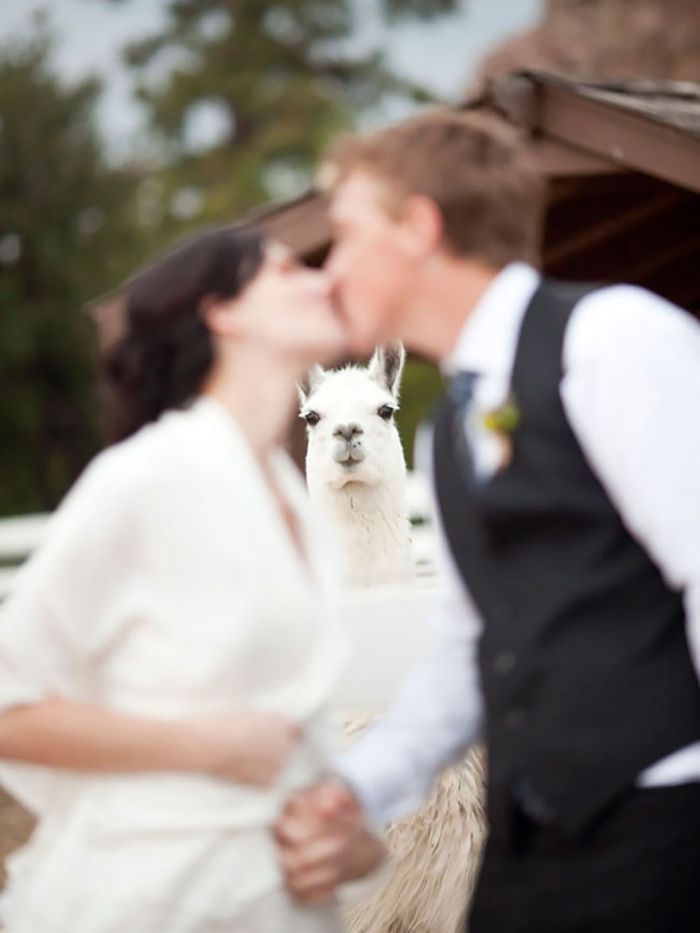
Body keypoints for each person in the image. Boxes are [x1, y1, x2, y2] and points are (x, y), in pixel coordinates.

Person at [275, 110, 700, 931]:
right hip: (535, 835)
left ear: (420, 228)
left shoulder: (613, 344)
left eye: (350, 236)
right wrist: (361, 789)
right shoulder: (454, 429)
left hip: (659, 821)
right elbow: (475, 647)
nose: (332, 269)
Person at [0, 227, 381, 932]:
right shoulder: (145, 480)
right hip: (145, 900)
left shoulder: (289, 499)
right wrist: (208, 748)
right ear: (222, 312)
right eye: (288, 269)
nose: (320, 280)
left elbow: (288, 727)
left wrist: (347, 841)